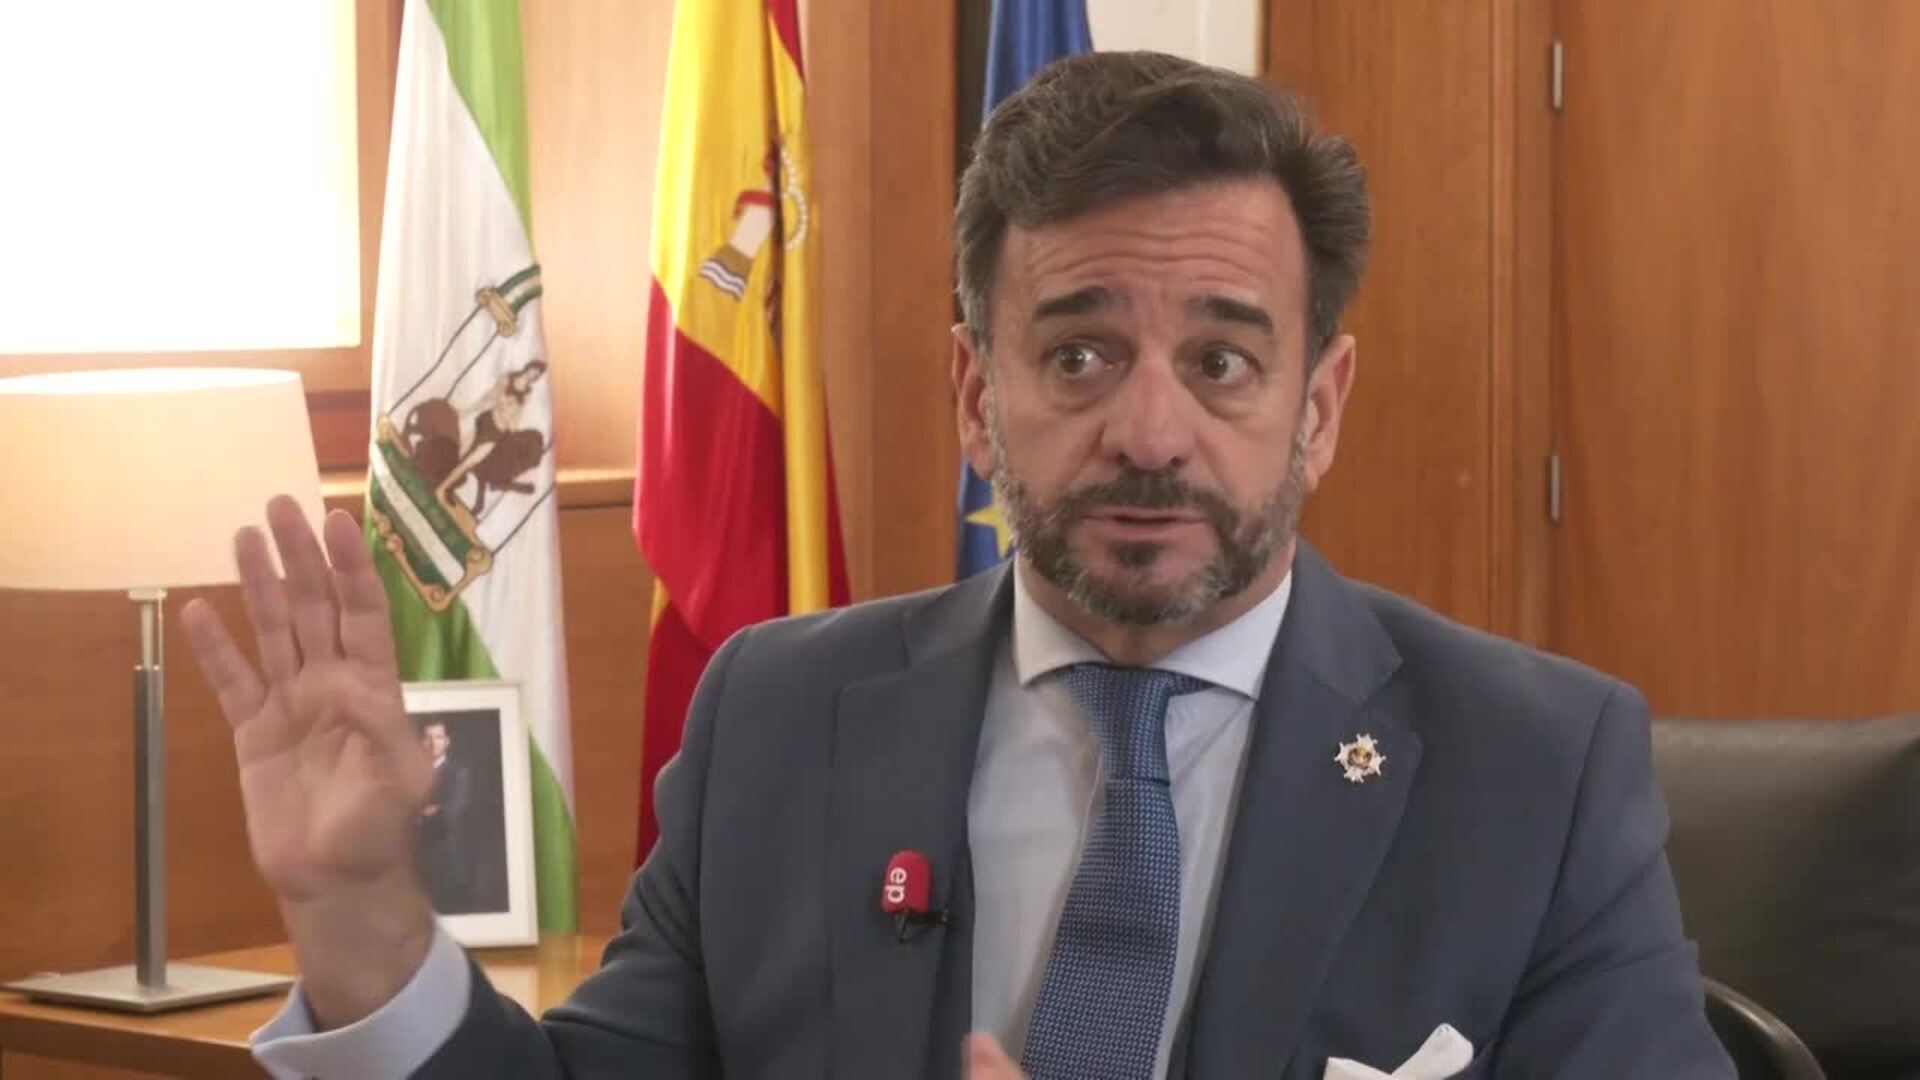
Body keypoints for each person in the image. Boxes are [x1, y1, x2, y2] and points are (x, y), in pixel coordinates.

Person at [181, 51, 1733, 1080]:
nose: (1150, 431)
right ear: (977, 394)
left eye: (1221, 362)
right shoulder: (782, 716)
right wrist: (361, 909)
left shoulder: (1534, 768)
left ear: (1316, 407)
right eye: (1078, 354)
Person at [414, 720, 475, 913]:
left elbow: (450, 815)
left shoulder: (458, 774)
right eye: (428, 738)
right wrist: (430, 811)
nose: (433, 743)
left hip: (447, 866)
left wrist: (420, 815)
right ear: (421, 742)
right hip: (417, 867)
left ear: (447, 741)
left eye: (438, 737)